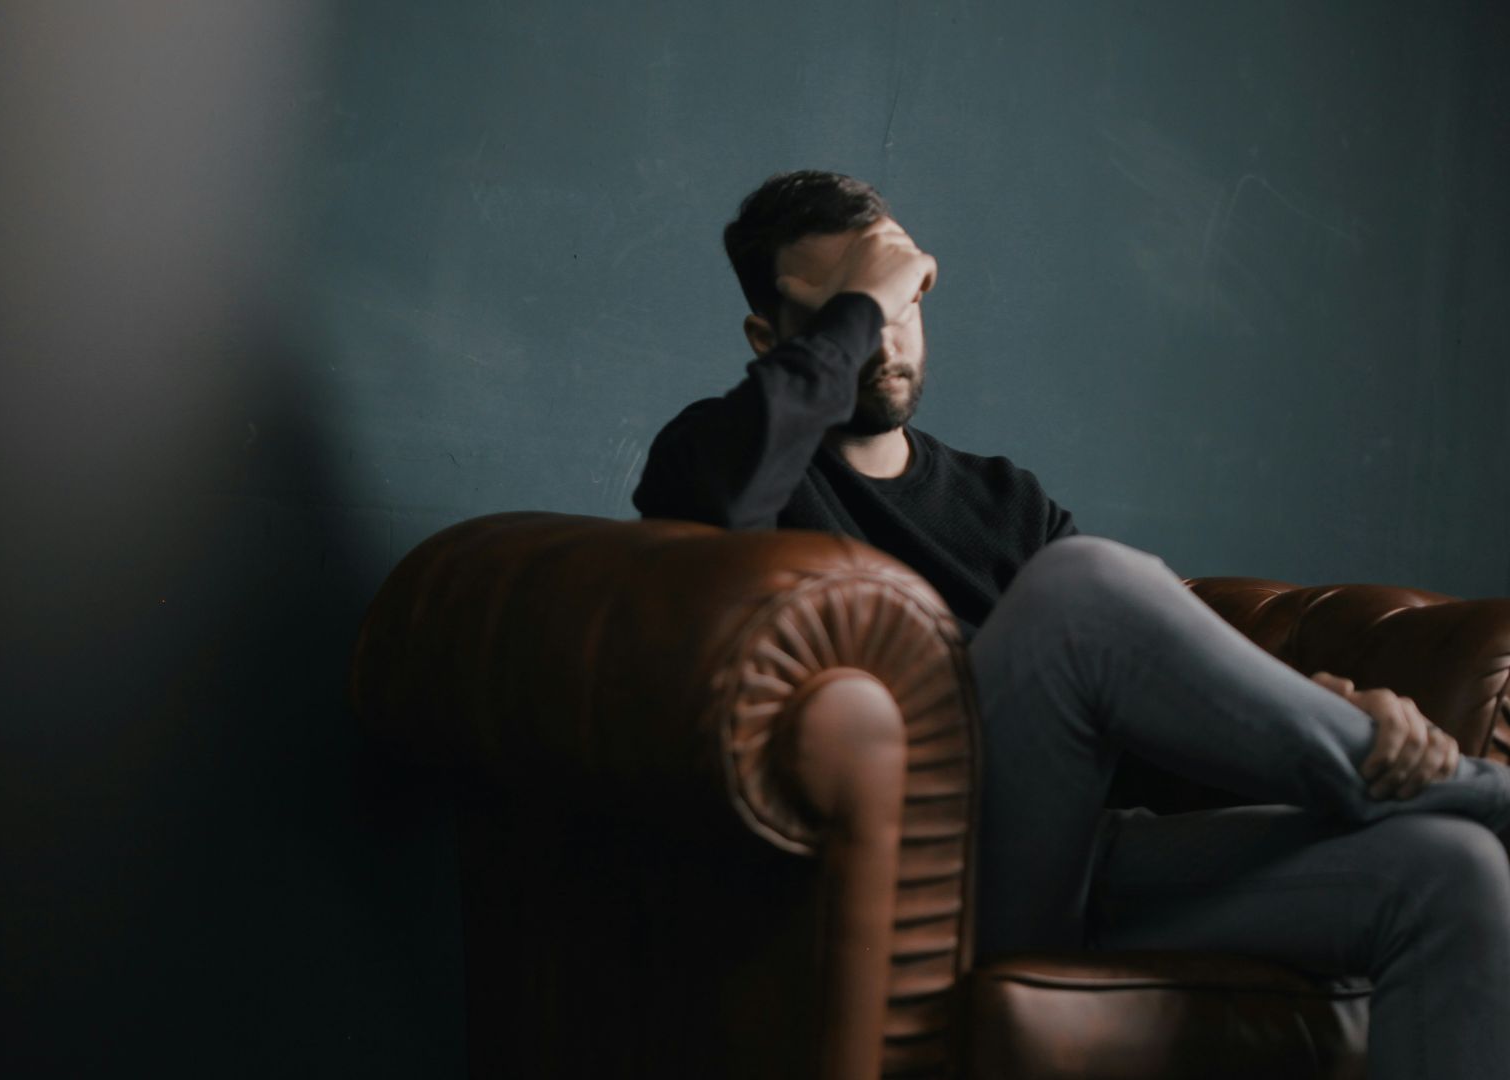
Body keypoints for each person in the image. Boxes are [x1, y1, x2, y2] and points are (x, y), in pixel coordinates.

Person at [632, 169, 1510, 1079]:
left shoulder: (1005, 500)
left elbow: (1138, 721)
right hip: (933, 886)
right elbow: (719, 517)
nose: (884, 339)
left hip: (1083, 863)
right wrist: (867, 295)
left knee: (1451, 871)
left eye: (904, 301)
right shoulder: (716, 453)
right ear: (769, 339)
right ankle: (1484, 793)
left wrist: (1312, 709)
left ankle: (1435, 798)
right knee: (1082, 584)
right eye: (857, 310)